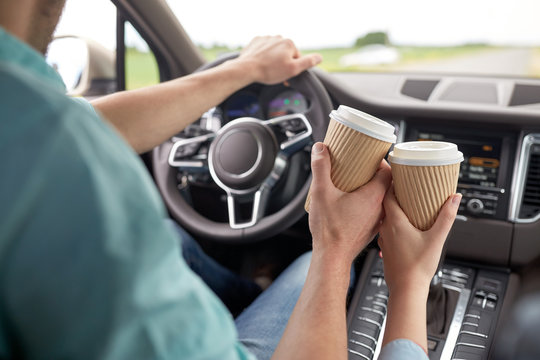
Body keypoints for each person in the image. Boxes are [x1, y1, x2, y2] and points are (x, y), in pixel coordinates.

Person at [0, 0, 460, 359]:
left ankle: (256, 290)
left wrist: (245, 70)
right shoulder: (52, 149)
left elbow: (94, 121)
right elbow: (70, 129)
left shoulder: (27, 121)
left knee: (168, 235)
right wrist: (371, 263)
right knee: (305, 270)